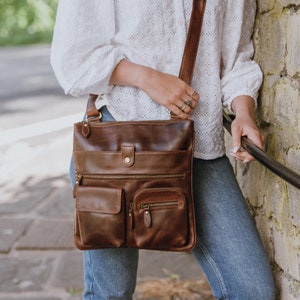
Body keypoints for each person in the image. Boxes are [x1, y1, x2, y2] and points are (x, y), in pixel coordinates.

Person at [51, 1, 276, 299]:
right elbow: (73, 58)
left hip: (199, 149)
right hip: (116, 149)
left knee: (253, 291)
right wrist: (149, 79)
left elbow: (235, 60)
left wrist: (244, 112)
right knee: (111, 293)